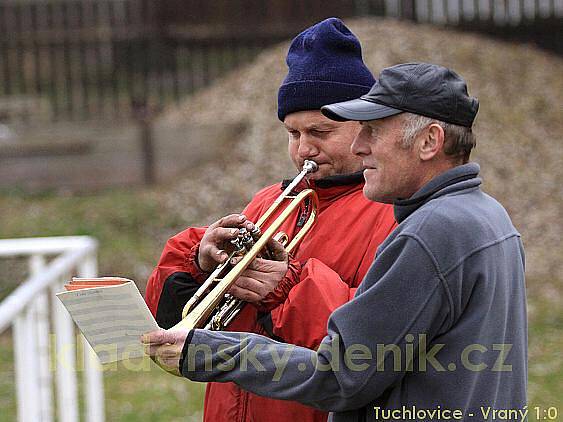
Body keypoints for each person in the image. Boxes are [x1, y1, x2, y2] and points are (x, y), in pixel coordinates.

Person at [144, 63, 527, 422]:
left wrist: (210, 351)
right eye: (293, 134)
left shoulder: (430, 232)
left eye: (373, 131)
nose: (360, 147)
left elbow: (343, 373)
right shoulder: (489, 216)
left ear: (429, 141)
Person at [144, 18, 397, 422]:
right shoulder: (268, 202)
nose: (304, 149)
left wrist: (288, 286)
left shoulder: (391, 213)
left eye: (320, 131)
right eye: (293, 134)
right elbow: (184, 317)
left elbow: (373, 338)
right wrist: (200, 263)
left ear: (366, 128)